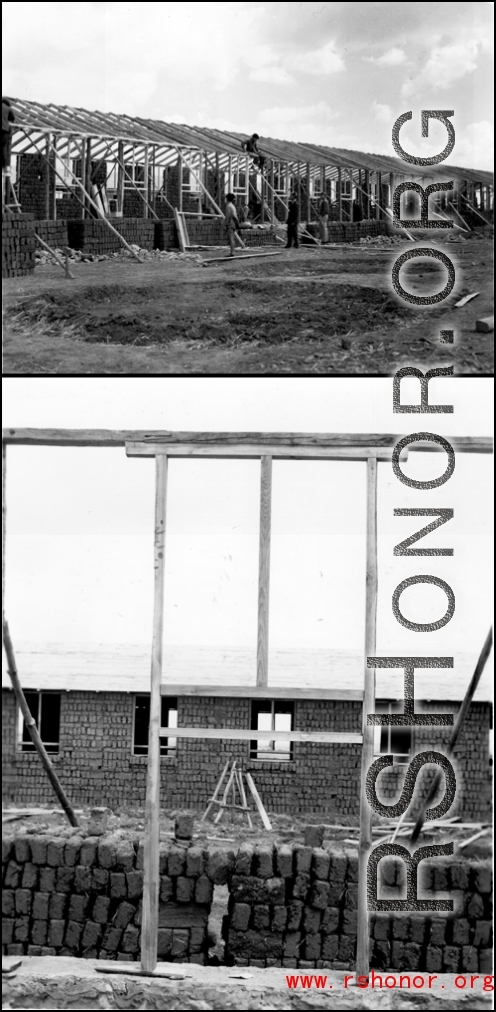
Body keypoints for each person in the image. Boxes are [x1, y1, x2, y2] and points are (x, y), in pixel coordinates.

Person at [2, 98, 15, 172]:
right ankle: (5, 166)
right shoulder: (8, 108)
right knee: (4, 147)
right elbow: (13, 118)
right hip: (4, 131)